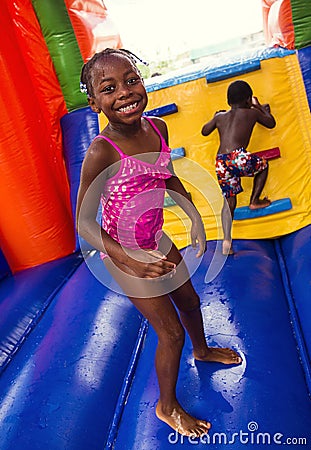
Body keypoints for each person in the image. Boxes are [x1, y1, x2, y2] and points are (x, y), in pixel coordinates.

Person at [76, 48, 242, 438]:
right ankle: (167, 407)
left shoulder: (157, 129)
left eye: (131, 80)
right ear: (94, 101)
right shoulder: (102, 151)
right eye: (109, 88)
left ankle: (202, 351)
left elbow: (166, 176)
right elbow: (83, 221)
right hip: (122, 253)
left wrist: (194, 216)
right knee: (170, 333)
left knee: (191, 301)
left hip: (156, 238)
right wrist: (129, 259)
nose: (125, 93)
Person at [201, 80, 276, 255]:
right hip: (237, 156)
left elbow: (204, 131)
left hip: (221, 161)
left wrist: (215, 117)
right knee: (263, 165)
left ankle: (226, 241)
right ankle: (254, 201)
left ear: (228, 101)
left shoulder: (221, 117)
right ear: (249, 99)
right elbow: (271, 123)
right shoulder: (251, 113)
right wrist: (259, 107)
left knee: (229, 201)